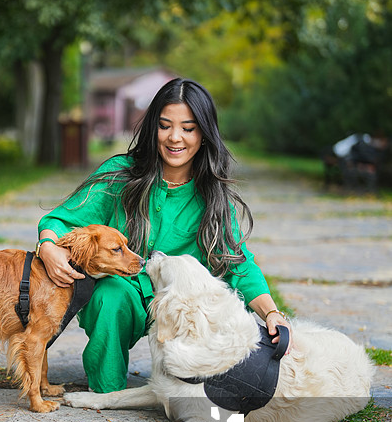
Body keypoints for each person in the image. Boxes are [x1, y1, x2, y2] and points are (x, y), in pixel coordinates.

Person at [37, 77, 291, 393]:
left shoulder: (212, 195)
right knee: (109, 296)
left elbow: (239, 264)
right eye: (165, 125)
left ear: (204, 134)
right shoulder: (120, 174)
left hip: (178, 304)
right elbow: (61, 219)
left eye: (188, 128)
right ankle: (108, 391)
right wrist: (48, 245)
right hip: (123, 292)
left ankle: (185, 384)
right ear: (152, 128)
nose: (175, 138)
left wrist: (271, 313)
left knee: (198, 372)